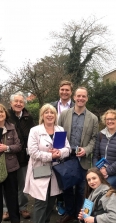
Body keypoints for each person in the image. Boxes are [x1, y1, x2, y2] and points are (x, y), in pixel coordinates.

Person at [24, 104, 70, 223]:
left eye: (52, 112)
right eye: (46, 112)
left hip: (56, 171)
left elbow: (67, 148)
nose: (49, 115)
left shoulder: (60, 130)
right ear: (42, 115)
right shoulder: (35, 130)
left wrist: (60, 153)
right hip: (40, 170)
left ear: (56, 115)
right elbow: (33, 152)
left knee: (51, 200)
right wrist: (50, 156)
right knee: (40, 202)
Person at [57, 87, 99, 223]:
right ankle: (69, 213)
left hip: (83, 160)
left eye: (84, 96)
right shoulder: (64, 114)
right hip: (67, 158)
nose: (81, 98)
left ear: (87, 98)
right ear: (74, 97)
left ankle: (83, 217)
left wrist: (86, 150)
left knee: (83, 190)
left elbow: (94, 139)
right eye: (78, 96)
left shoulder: (93, 118)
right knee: (67, 188)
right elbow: (59, 135)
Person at [2, 92, 35, 221]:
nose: (18, 104)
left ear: (24, 104)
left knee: (23, 185)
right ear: (11, 103)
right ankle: (6, 209)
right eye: (16, 101)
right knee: (8, 185)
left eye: (21, 102)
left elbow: (33, 135)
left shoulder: (28, 117)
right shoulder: (6, 117)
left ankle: (23, 207)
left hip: (24, 157)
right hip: (9, 156)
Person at [50, 80, 75, 216]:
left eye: (67, 90)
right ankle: (58, 201)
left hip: (70, 144)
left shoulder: (76, 106)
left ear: (71, 92)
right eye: (62, 89)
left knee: (68, 176)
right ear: (59, 90)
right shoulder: (52, 106)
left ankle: (68, 203)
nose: (64, 92)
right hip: (55, 142)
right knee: (56, 174)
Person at [92, 109, 116, 189]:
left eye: (112, 119)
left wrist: (107, 171)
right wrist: (98, 170)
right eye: (107, 119)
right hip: (101, 171)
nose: (110, 121)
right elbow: (95, 155)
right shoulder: (101, 135)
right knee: (89, 186)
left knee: (103, 189)